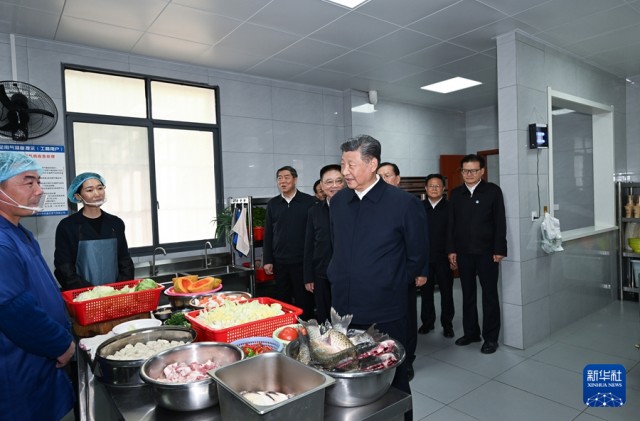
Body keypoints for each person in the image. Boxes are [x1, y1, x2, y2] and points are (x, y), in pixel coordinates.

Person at [327, 135, 428, 413]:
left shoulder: (403, 203)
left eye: (351, 164)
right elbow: (336, 245)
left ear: (372, 164)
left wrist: (389, 281)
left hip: (385, 309)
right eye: (342, 164)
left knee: (392, 379)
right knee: (348, 374)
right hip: (343, 308)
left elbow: (417, 254)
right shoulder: (339, 202)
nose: (344, 171)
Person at [0, 152, 76, 420]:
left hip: (41, 362)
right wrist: (61, 344)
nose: (39, 190)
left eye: (39, 182)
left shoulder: (20, 233)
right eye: (29, 182)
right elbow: (12, 309)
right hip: (19, 367)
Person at [446, 154, 507, 355]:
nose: (469, 174)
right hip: (464, 253)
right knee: (468, 294)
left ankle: (491, 338)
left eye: (473, 170)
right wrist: (451, 249)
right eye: (465, 171)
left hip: (487, 253)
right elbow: (451, 224)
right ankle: (471, 333)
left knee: (489, 295)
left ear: (482, 171)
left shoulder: (493, 191)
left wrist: (499, 249)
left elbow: (500, 221)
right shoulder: (456, 194)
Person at [376, 161, 420, 381]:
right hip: (380, 276)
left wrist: (417, 272)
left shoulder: (407, 203)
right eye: (380, 176)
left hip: (403, 274)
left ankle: (407, 360)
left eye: (387, 175)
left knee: (406, 319)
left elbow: (418, 242)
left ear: (397, 179)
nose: (383, 180)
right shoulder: (373, 204)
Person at [54, 172, 134, 290]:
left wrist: (119, 289)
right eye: (90, 190)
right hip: (82, 294)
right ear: (78, 196)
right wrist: (90, 292)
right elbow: (64, 267)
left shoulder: (116, 223)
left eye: (100, 188)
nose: (97, 193)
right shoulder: (68, 226)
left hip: (115, 293)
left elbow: (125, 260)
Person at [263, 166, 316, 320]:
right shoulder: (273, 204)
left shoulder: (308, 202)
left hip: (302, 262)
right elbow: (268, 234)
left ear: (295, 179)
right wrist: (267, 260)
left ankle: (306, 328)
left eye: (287, 177)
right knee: (282, 301)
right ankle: (286, 328)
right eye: (279, 178)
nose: (283, 181)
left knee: (304, 301)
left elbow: (315, 233)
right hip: (280, 262)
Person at [303, 164, 345, 324]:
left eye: (339, 181)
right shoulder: (314, 211)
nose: (334, 186)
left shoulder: (355, 207)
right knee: (324, 316)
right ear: (321, 185)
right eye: (329, 182)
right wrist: (308, 276)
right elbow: (309, 245)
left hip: (347, 274)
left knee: (344, 318)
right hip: (321, 272)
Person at [420, 174, 455, 338]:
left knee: (446, 292)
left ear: (443, 188)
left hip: (444, 257)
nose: (434, 189)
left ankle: (447, 324)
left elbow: (454, 232)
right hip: (425, 258)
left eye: (438, 186)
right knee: (426, 292)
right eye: (431, 186)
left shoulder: (450, 207)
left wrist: (452, 252)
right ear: (426, 189)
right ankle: (427, 322)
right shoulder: (419, 207)